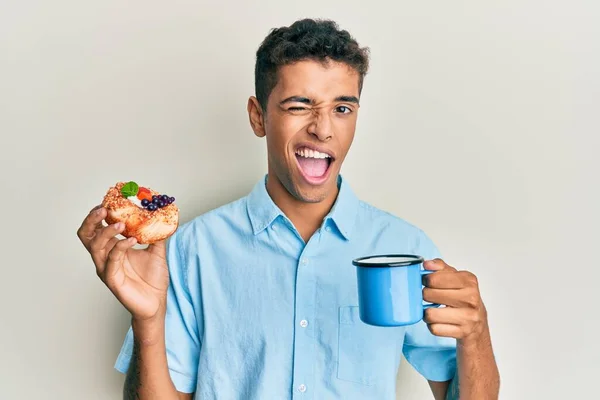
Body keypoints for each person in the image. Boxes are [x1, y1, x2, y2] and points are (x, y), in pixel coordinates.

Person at [77, 18, 499, 400]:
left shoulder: (403, 248)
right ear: (258, 117)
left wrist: (476, 334)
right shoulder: (190, 250)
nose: (323, 127)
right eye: (299, 106)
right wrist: (148, 321)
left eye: (342, 108)